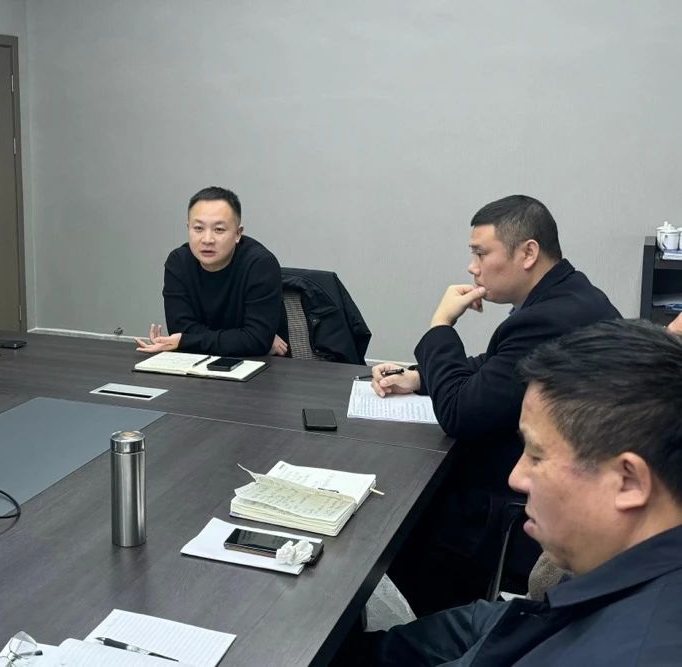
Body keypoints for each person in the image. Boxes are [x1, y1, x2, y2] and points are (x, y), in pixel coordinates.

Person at [358, 319, 682, 665]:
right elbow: (519, 622)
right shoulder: (615, 569)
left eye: (537, 456)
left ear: (628, 481)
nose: (517, 477)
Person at [372, 194, 620, 613]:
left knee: (399, 519)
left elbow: (460, 414)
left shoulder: (546, 318)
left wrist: (440, 325)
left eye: (481, 253)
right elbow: (499, 366)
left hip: (518, 503)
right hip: (556, 475)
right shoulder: (569, 295)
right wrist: (419, 377)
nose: (472, 267)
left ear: (528, 253)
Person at [136, 186, 288, 357]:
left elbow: (256, 341)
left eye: (219, 230)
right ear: (188, 228)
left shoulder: (260, 265)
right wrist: (243, 340)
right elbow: (180, 329)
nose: (207, 240)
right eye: (198, 228)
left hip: (260, 366)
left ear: (238, 234)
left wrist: (187, 341)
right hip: (196, 363)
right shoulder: (178, 262)